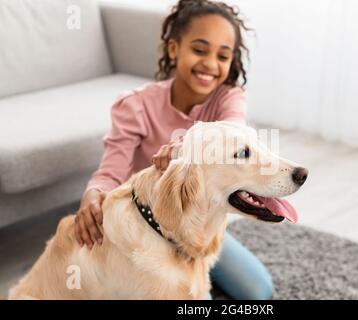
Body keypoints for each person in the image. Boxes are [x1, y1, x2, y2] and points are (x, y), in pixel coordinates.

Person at [74, 0, 273, 300]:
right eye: (199, 49)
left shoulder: (228, 99)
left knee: (258, 292)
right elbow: (110, 172)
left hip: (197, 224)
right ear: (173, 49)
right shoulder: (135, 105)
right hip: (145, 225)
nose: (210, 64)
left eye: (223, 56)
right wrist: (92, 194)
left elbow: (230, 134)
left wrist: (184, 148)